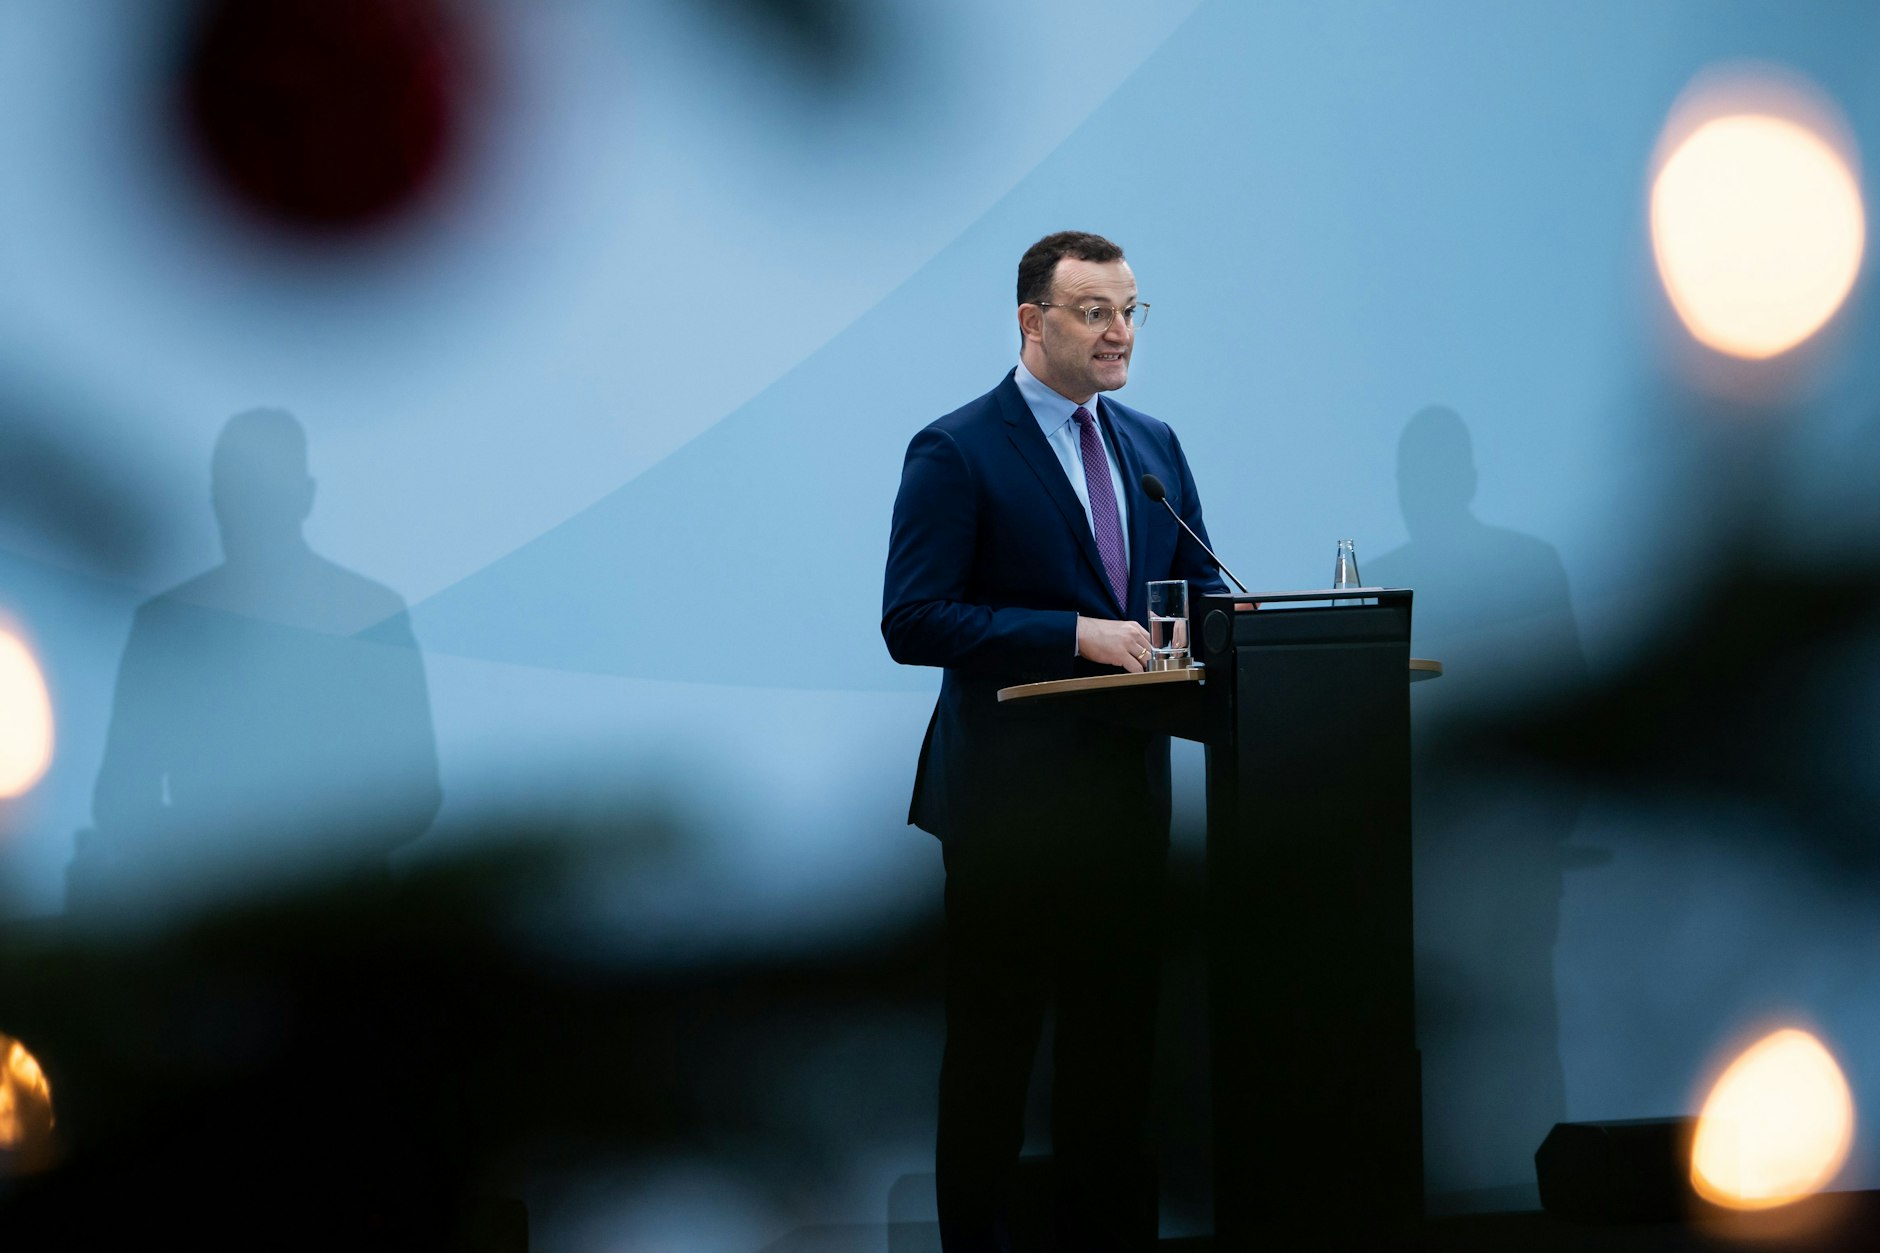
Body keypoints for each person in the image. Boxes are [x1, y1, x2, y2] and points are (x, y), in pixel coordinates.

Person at [882, 231, 1230, 1252]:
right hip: (1008, 810)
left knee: (1114, 1068)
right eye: (1094, 311)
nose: (1119, 331)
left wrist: (1243, 628)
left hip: (1127, 803)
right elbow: (914, 618)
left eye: (1130, 310)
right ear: (1032, 322)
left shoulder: (1153, 447)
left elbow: (1200, 592)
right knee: (993, 1063)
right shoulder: (957, 449)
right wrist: (1073, 633)